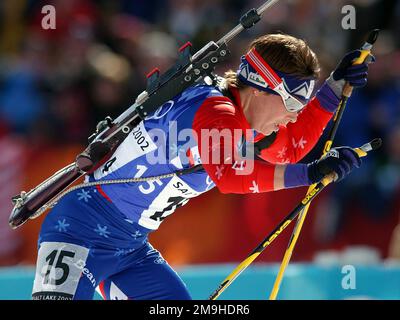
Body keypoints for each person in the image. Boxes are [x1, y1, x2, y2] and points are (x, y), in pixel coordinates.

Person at [31, 33, 372, 300]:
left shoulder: (240, 117)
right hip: (79, 231)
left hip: (130, 248)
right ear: (262, 88)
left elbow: (289, 150)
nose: (297, 113)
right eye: (294, 101)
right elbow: (231, 177)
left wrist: (334, 89)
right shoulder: (215, 113)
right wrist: (312, 173)